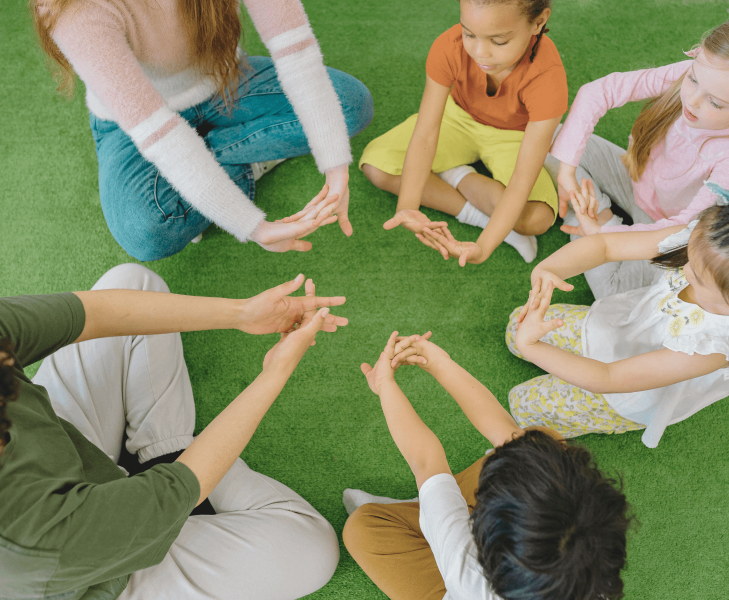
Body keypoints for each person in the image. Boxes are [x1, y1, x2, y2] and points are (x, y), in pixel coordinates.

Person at [0, 263, 348, 600]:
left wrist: (243, 313)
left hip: (67, 459)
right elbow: (175, 487)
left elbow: (91, 314)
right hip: (91, 573)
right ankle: (168, 456)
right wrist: (275, 372)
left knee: (132, 281)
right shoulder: (28, 539)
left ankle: (163, 450)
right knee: (312, 549)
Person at [32, 0, 374, 261]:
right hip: (136, 123)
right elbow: (160, 135)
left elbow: (295, 49)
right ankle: (244, 161)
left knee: (350, 106)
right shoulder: (69, 8)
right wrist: (254, 228)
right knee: (145, 232)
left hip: (224, 81)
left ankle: (206, 179)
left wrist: (335, 165)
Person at [343, 331, 634, 600]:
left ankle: (429, 507)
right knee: (543, 443)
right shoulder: (592, 577)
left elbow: (425, 460)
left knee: (362, 528)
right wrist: (439, 363)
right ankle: (433, 504)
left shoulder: (464, 568)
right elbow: (505, 433)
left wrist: (385, 385)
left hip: (451, 584)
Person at [505, 184, 729, 448]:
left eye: (696, 276)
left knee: (524, 404)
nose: (683, 270)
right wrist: (549, 270)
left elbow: (607, 377)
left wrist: (533, 346)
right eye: (690, 259)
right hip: (618, 325)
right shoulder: (707, 240)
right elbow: (606, 246)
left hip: (620, 393)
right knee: (515, 327)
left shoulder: (714, 347)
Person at [543, 12, 729, 298]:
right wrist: (566, 172)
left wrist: (606, 237)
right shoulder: (703, 73)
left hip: (665, 231)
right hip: (633, 178)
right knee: (554, 138)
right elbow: (599, 91)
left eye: (715, 102)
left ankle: (601, 221)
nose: (692, 100)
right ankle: (598, 214)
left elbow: (685, 227)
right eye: (692, 79)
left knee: (611, 292)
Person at [361, 0, 567, 266]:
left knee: (537, 217)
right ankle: (476, 210)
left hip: (514, 136)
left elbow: (521, 181)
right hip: (456, 118)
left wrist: (483, 248)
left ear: (538, 22)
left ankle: (454, 174)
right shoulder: (449, 45)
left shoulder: (548, 79)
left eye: (499, 41)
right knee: (377, 166)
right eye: (469, 33)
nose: (479, 52)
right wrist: (408, 207)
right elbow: (426, 132)